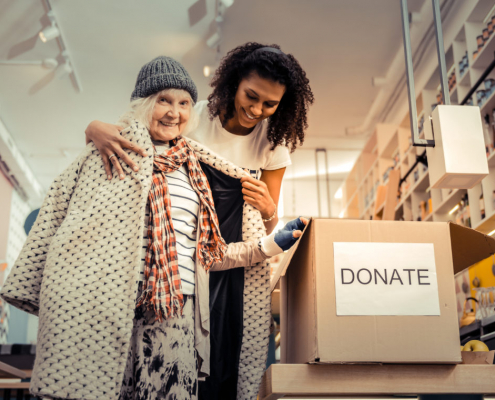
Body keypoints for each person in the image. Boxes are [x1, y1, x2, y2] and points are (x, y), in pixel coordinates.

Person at [0, 56, 307, 400]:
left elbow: (206, 252)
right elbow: (66, 217)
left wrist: (269, 239)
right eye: (163, 100)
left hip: (178, 307)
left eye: (182, 104)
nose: (174, 112)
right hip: (111, 302)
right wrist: (93, 127)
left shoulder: (196, 173)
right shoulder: (118, 155)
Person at [85, 43, 314, 400]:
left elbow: (268, 226)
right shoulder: (195, 117)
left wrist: (270, 209)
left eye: (270, 104)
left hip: (235, 257)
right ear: (235, 82)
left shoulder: (273, 143)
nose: (256, 110)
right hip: (179, 251)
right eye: (251, 96)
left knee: (226, 356)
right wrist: (93, 127)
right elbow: (141, 135)